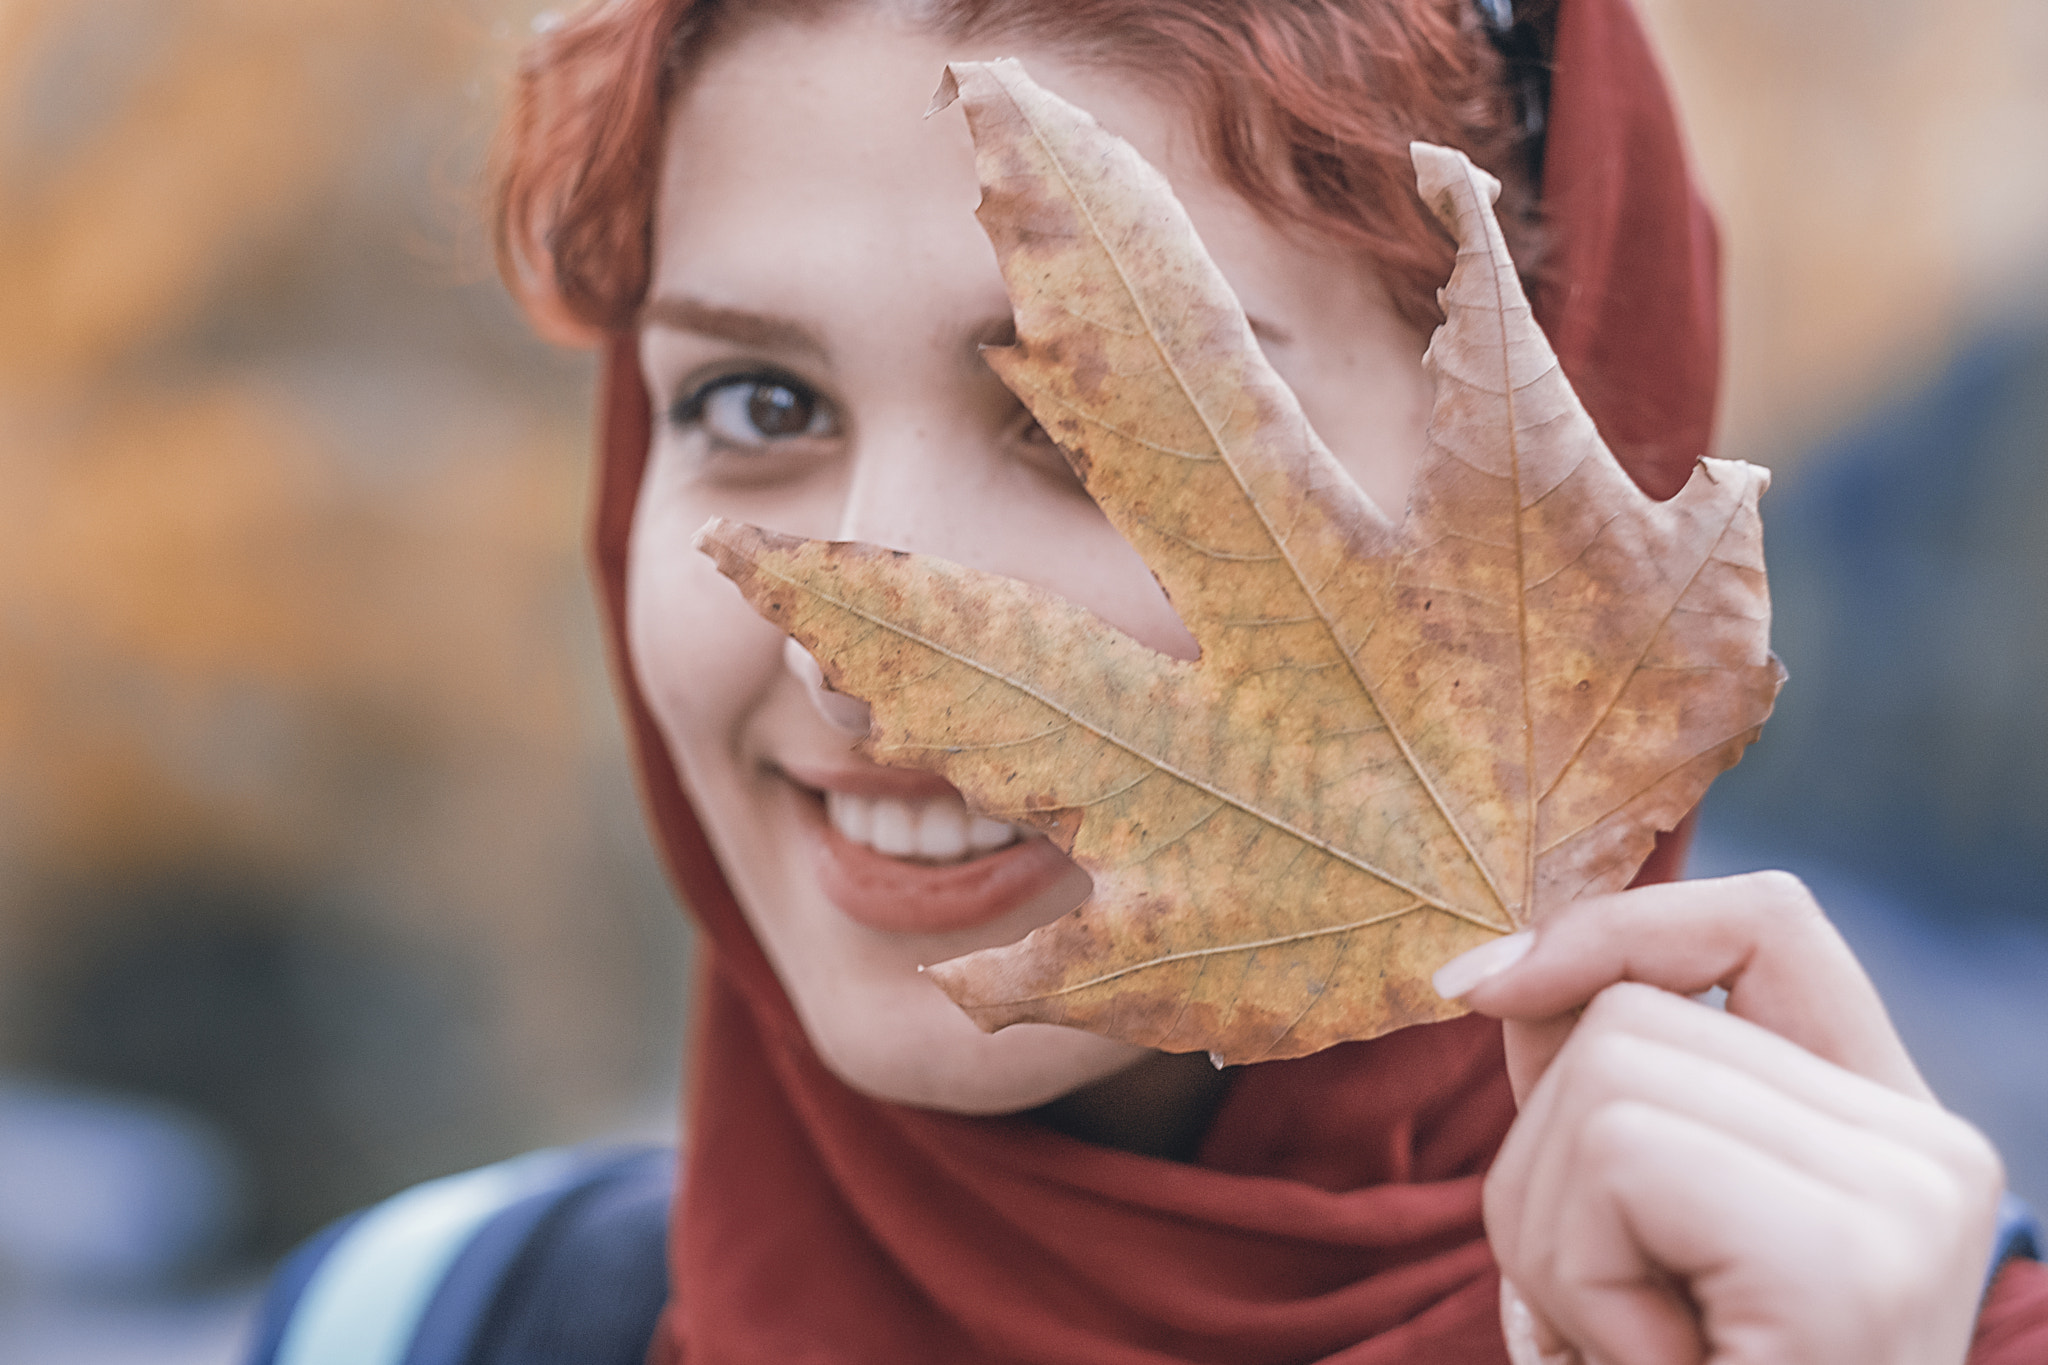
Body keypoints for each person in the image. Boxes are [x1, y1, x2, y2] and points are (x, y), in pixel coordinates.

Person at [246, 0, 2048, 1361]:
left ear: (1557, 500)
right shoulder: (418, 1318)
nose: (860, 640)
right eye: (755, 403)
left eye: (1091, 419)